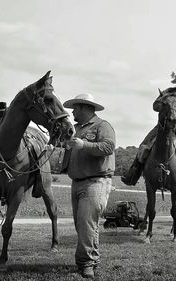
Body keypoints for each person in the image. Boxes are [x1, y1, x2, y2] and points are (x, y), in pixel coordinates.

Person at [61, 93, 115, 279]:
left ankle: (86, 264)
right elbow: (71, 148)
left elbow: (109, 147)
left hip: (96, 181)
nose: (73, 111)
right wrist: (66, 146)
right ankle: (90, 260)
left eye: (75, 108)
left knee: (86, 224)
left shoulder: (103, 126)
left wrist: (84, 144)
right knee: (82, 225)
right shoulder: (75, 128)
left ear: (85, 107)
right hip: (77, 182)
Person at [121, 72, 176, 195]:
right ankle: (132, 174)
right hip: (163, 127)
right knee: (144, 145)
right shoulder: (169, 91)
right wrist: (166, 104)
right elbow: (155, 106)